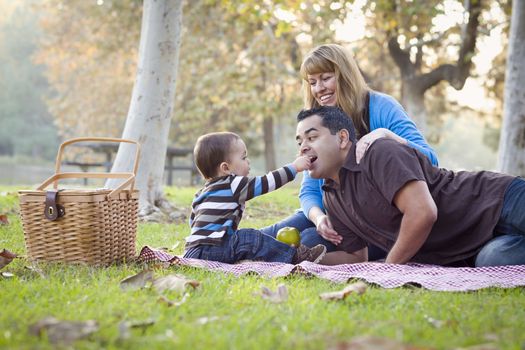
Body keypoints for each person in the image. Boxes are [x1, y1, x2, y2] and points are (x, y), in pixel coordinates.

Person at [261, 43, 438, 259]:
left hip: (374, 220)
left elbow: (430, 161)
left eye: (326, 78)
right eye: (313, 82)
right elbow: (310, 191)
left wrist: (385, 134)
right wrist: (318, 218)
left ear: (344, 75)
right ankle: (219, 246)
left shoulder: (380, 106)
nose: (319, 89)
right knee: (271, 235)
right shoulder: (317, 123)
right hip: (333, 213)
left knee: (308, 241)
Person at [295, 105, 525, 267]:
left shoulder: (378, 152)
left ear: (343, 138)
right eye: (300, 142)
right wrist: (302, 258)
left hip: (498, 200)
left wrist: (389, 267)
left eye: (311, 137)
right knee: (495, 261)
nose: (303, 147)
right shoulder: (331, 197)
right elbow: (356, 257)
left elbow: (422, 213)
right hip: (475, 247)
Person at [183, 132, 327, 264]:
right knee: (250, 237)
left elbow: (194, 222)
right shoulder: (232, 183)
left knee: (241, 240)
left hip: (193, 251)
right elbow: (267, 182)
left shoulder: (201, 194)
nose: (248, 161)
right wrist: (294, 167)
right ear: (226, 168)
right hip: (213, 249)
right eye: (243, 157)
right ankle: (293, 256)